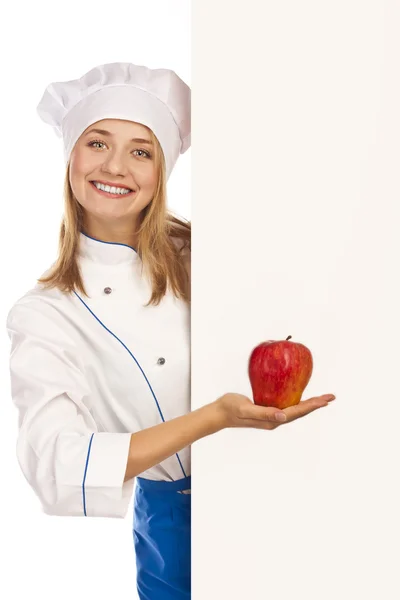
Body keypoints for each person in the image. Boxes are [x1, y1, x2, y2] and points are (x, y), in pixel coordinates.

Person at [5, 62, 335, 600]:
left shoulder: (212, 253)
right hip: (172, 525)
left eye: (141, 151)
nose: (115, 166)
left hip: (279, 490)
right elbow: (56, 463)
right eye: (97, 143)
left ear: (162, 171)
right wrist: (214, 418)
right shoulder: (44, 313)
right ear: (70, 155)